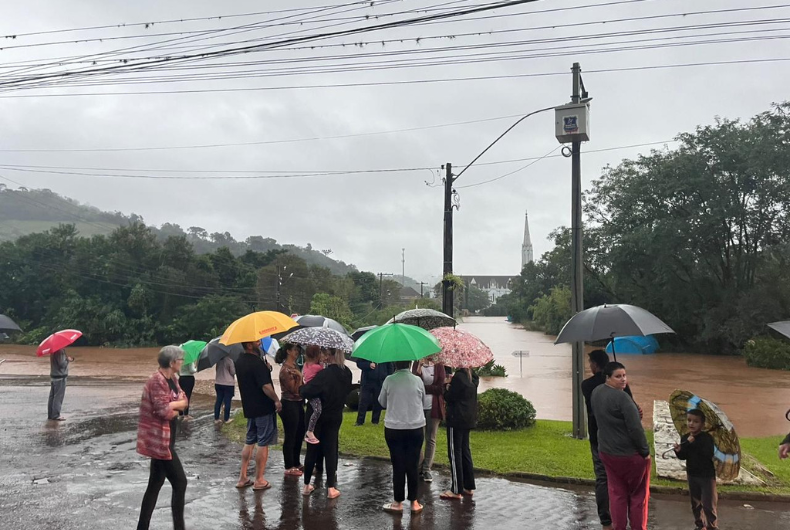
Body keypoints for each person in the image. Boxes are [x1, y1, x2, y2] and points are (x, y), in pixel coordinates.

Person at [581, 349, 640, 530]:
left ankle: (606, 520)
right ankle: (623, 518)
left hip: (598, 438)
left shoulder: (587, 385)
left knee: (602, 477)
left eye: (590, 363)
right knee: (621, 480)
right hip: (621, 439)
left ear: (595, 364)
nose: (589, 366)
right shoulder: (622, 385)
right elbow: (632, 411)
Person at [591, 362, 651, 530]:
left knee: (617, 494)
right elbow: (635, 429)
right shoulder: (623, 398)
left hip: (607, 452)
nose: (623, 379)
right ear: (607, 378)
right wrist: (645, 452)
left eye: (624, 375)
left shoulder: (596, 392)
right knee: (638, 496)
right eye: (618, 376)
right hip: (630, 456)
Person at [136, 345, 189, 530]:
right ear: (172, 362)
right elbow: (163, 411)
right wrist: (176, 407)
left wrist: (174, 404)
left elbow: (184, 401)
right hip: (160, 442)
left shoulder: (173, 379)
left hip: (168, 438)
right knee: (180, 482)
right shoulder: (156, 381)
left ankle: (142, 527)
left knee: (154, 486)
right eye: (180, 360)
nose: (182, 362)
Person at [300, 347, 352, 499]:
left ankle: (306, 485)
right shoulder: (347, 373)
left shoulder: (324, 374)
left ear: (329, 354)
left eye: (324, 353)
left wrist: (302, 385)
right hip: (335, 414)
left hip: (316, 417)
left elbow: (307, 391)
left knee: (312, 449)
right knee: (331, 449)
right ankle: (331, 488)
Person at [379, 360, 426, 514]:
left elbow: (382, 402)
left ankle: (397, 502)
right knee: (413, 464)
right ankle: (414, 502)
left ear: (395, 363)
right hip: (415, 427)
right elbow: (423, 401)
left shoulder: (389, 380)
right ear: (410, 362)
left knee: (397, 464)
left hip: (394, 428)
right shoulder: (417, 380)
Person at [235, 341, 282, 491]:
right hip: (263, 407)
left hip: (249, 407)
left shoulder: (239, 361)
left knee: (249, 440)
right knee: (263, 442)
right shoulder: (256, 363)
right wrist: (276, 400)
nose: (260, 342)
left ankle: (243, 477)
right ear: (249, 345)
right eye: (256, 341)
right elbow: (265, 386)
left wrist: (266, 369)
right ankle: (259, 479)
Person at [674, 409, 718, 530]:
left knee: (709, 504)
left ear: (702, 424)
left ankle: (712, 526)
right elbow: (683, 456)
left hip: (707, 476)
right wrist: (679, 450)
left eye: (696, 421)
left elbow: (707, 454)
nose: (691, 424)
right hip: (692, 474)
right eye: (689, 420)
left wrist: (692, 443)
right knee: (695, 503)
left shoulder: (707, 438)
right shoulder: (686, 438)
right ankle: (700, 524)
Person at [440, 366, 479, 500]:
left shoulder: (459, 378)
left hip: (456, 419)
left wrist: (446, 386)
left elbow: (449, 397)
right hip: (468, 419)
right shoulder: (473, 377)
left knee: (454, 453)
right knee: (465, 450)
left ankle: (456, 490)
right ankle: (468, 485)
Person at [412, 358, 445, 483]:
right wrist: (419, 369)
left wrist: (424, 388)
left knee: (430, 438)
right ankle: (419, 466)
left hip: (433, 407)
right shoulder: (417, 363)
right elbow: (414, 384)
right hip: (418, 407)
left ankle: (427, 468)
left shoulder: (439, 365)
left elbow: (440, 388)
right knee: (418, 437)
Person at [276, 343, 306, 476]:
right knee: (291, 435)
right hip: (289, 404)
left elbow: (302, 387)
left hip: (298, 403)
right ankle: (289, 465)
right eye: (294, 350)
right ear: (288, 351)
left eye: (298, 350)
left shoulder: (295, 366)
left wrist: (300, 377)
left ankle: (296, 462)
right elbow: (294, 390)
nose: (297, 352)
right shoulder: (285, 370)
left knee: (300, 433)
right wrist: (300, 377)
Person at [355, 358, 394, 425]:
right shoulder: (366, 353)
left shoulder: (385, 355)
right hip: (367, 381)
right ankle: (360, 421)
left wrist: (388, 378)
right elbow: (359, 363)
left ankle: (375, 420)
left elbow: (390, 367)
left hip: (380, 382)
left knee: (378, 402)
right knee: (363, 401)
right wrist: (368, 365)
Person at [303, 345, 324, 444]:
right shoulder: (317, 367)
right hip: (314, 393)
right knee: (318, 410)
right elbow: (324, 370)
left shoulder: (306, 364)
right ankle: (310, 431)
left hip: (308, 390)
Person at [48, 348, 74, 421]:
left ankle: (51, 414)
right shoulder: (60, 350)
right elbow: (62, 364)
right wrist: (68, 359)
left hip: (54, 376)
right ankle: (56, 415)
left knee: (52, 397)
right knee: (58, 397)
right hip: (60, 377)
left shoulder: (53, 350)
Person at [214, 355, 236, 424]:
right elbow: (233, 372)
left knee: (218, 401)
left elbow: (216, 370)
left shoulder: (218, 360)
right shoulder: (229, 360)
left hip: (218, 383)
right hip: (228, 384)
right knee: (227, 401)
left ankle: (216, 419)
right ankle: (226, 419)